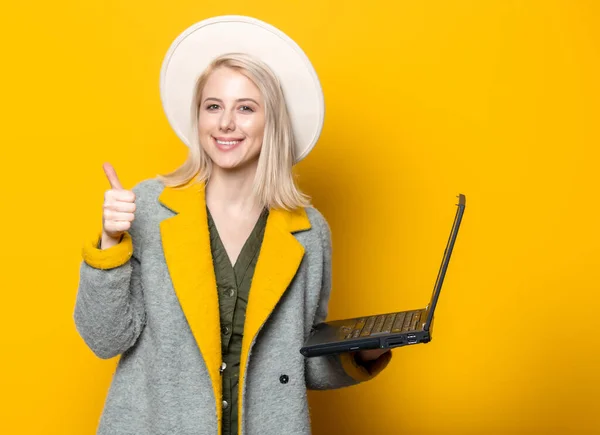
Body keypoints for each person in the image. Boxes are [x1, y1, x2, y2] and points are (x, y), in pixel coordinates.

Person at [74, 16, 392, 435]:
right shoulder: (149, 207)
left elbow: (299, 362)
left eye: (245, 108)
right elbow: (105, 339)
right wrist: (110, 241)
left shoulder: (310, 231)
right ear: (199, 118)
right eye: (213, 106)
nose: (226, 123)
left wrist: (361, 354)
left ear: (271, 121)